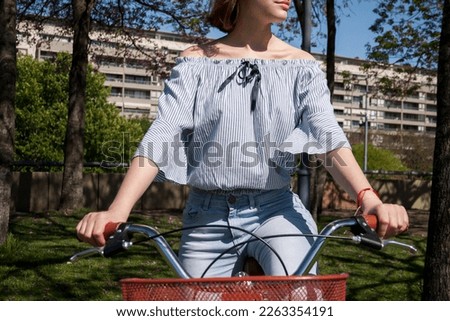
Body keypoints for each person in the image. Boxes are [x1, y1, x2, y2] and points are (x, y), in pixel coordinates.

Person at [76, 0, 409, 277]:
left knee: (295, 299)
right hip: (207, 217)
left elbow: (326, 135)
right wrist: (117, 212)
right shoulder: (196, 61)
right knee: (197, 308)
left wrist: (367, 197)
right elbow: (163, 132)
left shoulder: (300, 66)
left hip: (277, 210)